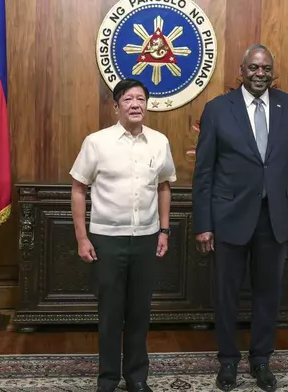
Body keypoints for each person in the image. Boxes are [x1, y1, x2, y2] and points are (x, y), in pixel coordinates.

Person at [192, 44, 288, 391]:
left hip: (274, 218)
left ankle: (261, 360)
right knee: (226, 293)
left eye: (266, 68)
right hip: (229, 216)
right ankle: (228, 361)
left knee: (268, 294)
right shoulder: (217, 110)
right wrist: (204, 224)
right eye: (254, 68)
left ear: (273, 72)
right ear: (241, 71)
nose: (260, 74)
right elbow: (204, 172)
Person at [70, 78, 177, 392]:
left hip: (146, 238)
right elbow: (78, 189)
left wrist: (164, 230)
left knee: (140, 312)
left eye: (141, 99)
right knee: (110, 313)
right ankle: (107, 379)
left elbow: (164, 187)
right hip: (106, 240)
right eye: (128, 99)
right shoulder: (97, 142)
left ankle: (136, 377)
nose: (135, 104)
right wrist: (81, 237)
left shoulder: (159, 142)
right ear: (116, 106)